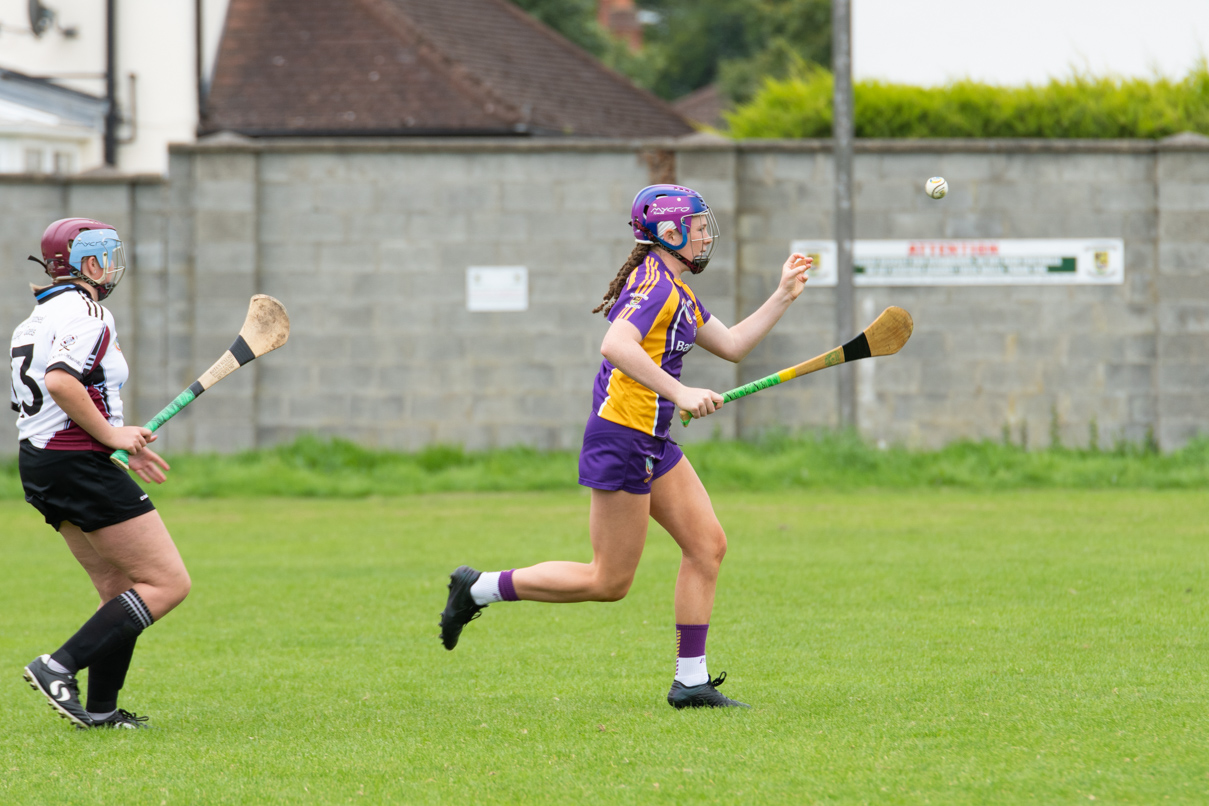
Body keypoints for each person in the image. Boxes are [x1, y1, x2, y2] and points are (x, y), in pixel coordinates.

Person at [439, 185, 811, 708]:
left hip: (651, 439)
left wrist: (782, 295)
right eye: (698, 225)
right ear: (668, 233)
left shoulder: (678, 291)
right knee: (608, 580)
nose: (706, 234)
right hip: (622, 437)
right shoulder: (655, 286)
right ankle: (477, 588)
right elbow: (615, 344)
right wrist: (680, 390)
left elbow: (731, 346)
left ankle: (691, 682)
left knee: (707, 547)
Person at [12, 218, 190, 729]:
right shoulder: (90, 313)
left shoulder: (36, 318)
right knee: (166, 583)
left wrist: (117, 442)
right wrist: (110, 437)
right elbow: (62, 383)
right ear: (87, 263)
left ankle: (102, 710)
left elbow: (58, 401)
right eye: (106, 256)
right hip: (76, 461)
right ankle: (58, 666)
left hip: (45, 463)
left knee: (119, 588)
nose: (112, 266)